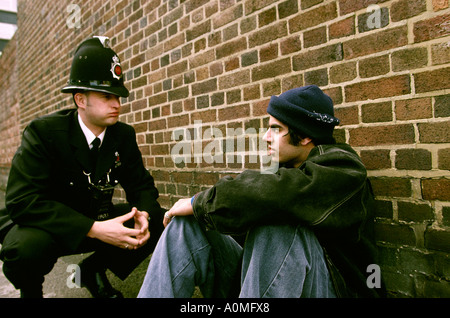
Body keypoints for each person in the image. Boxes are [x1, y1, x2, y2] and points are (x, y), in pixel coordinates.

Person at [138, 85, 385, 298]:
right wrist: (199, 210)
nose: (266, 137)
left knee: (278, 220)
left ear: (306, 135)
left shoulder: (344, 169)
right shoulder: (283, 170)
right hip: (264, 288)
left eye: (275, 129)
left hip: (334, 289)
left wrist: (198, 201)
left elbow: (276, 195)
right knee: (187, 224)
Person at [0, 36, 164, 298]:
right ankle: (31, 292)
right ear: (80, 99)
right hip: (48, 225)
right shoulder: (44, 133)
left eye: (119, 96)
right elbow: (22, 200)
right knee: (25, 249)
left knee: (159, 219)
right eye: (106, 96)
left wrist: (144, 214)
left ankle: (93, 270)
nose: (116, 104)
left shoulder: (122, 135)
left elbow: (141, 185)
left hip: (96, 215)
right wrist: (94, 228)